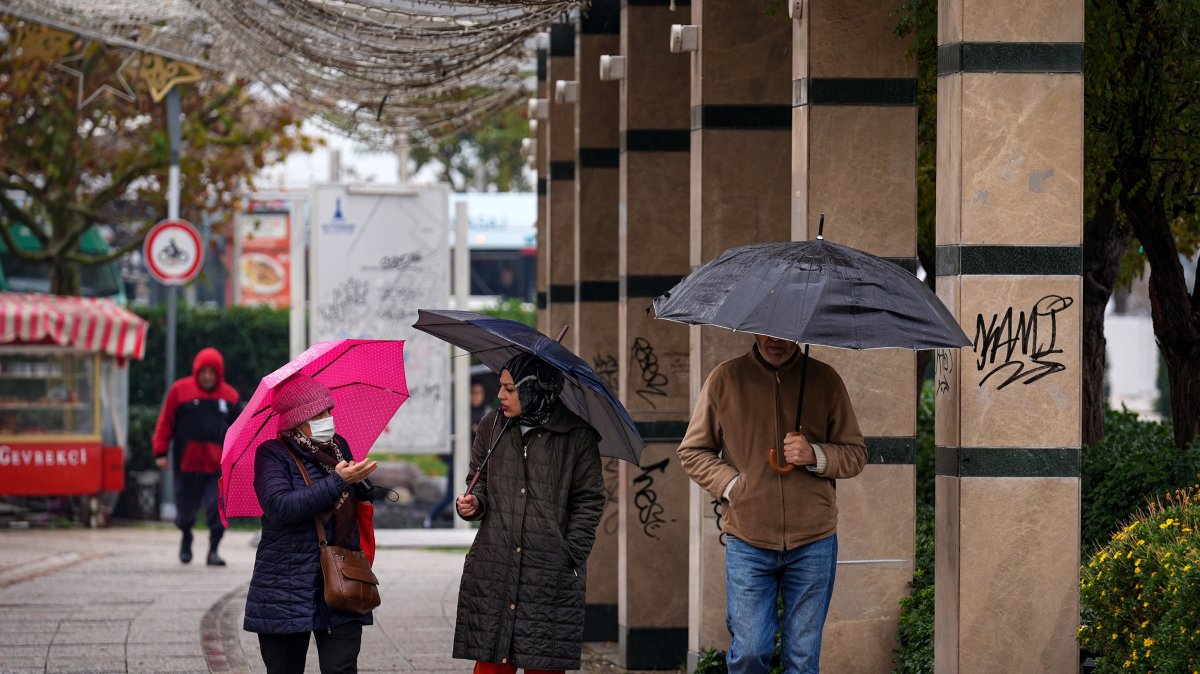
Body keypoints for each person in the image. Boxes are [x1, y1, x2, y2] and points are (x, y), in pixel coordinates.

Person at [677, 335, 866, 674]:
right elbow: (692, 451)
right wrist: (733, 486)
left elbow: (855, 453)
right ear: (753, 330)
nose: (774, 339)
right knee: (750, 651)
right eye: (766, 329)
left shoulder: (825, 379)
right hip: (748, 539)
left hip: (814, 540)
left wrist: (815, 454)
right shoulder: (725, 379)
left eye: (783, 332)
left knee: (803, 658)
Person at [453, 353, 605, 674]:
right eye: (501, 387)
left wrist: (570, 553)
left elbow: (589, 500)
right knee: (492, 663)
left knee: (542, 662)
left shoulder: (577, 436)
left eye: (510, 389)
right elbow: (477, 479)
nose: (500, 396)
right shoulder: (491, 426)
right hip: (496, 566)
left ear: (534, 388)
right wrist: (473, 503)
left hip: (548, 572)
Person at [243, 374, 378, 674]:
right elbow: (280, 507)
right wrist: (338, 481)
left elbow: (348, 503)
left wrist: (363, 484)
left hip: (343, 579)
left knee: (342, 669)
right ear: (297, 419)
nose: (328, 419)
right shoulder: (272, 455)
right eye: (319, 414)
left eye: (329, 411)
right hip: (286, 587)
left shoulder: (338, 447)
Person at [152, 347, 240, 566]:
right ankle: (186, 536)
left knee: (216, 509)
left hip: (216, 467)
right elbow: (165, 423)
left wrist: (238, 457)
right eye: (204, 372)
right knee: (185, 513)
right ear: (197, 371)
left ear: (218, 373)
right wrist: (161, 452)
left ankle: (213, 551)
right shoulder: (180, 391)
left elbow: (239, 429)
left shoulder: (230, 396)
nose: (207, 376)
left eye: (212, 372)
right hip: (186, 464)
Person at [424, 381, 493, 528]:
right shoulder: (460, 413)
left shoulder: (487, 415)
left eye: (479, 393)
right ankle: (430, 519)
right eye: (473, 393)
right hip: (457, 460)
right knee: (451, 494)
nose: (476, 397)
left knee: (478, 494)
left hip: (477, 463)